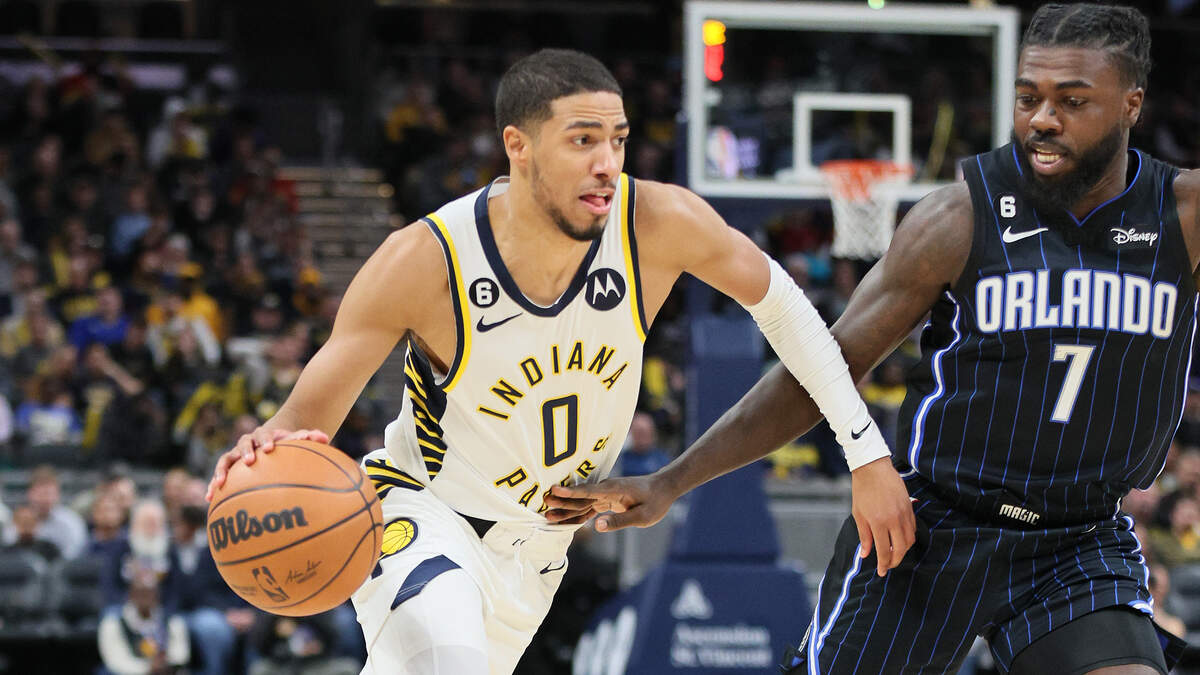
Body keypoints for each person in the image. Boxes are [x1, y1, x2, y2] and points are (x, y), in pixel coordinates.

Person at [206, 48, 896, 675]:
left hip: (539, 553)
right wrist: (262, 454)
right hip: (425, 516)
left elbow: (787, 311)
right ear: (519, 146)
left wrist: (865, 454)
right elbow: (303, 424)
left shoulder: (657, 223)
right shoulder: (426, 260)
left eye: (618, 139)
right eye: (583, 140)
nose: (607, 162)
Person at [554, 5, 1195, 674]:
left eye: (1072, 101)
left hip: (1078, 536)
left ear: (1132, 104)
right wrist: (672, 480)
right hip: (932, 528)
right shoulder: (959, 217)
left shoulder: (1183, 216)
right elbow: (821, 369)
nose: (1042, 119)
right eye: (1028, 97)